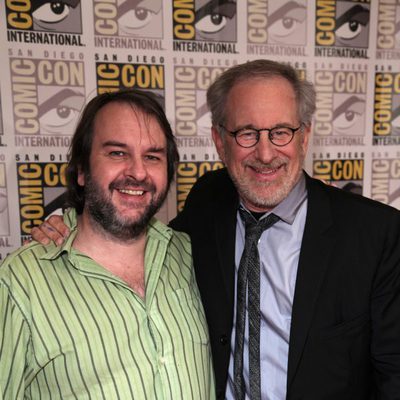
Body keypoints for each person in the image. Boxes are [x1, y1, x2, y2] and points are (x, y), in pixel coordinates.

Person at [30, 60, 400, 399]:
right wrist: (71, 220)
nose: (266, 153)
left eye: (281, 132)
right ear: (219, 141)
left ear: (304, 136)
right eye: (246, 133)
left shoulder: (375, 234)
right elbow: (133, 233)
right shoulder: (209, 202)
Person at [0, 89, 215, 399]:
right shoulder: (21, 281)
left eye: (152, 156)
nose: (138, 172)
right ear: (83, 170)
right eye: (117, 153)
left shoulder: (191, 255)